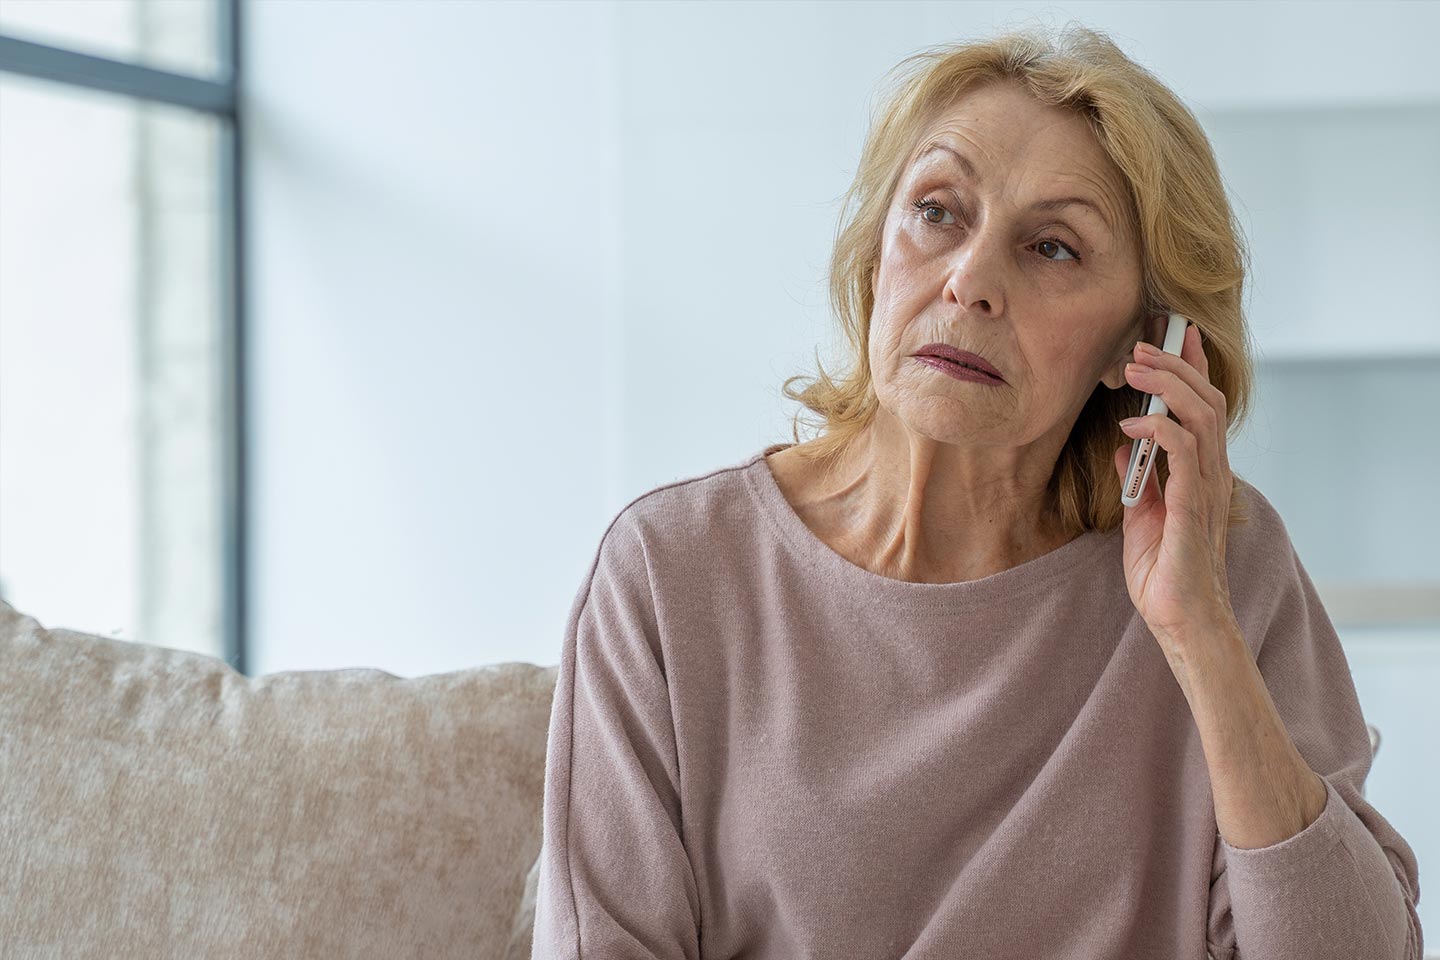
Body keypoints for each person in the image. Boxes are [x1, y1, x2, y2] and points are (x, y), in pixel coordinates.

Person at [529, 21, 1423, 960]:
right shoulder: (672, 574)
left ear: (1144, 344)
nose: (969, 281)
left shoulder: (1223, 567)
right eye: (938, 211)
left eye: (1053, 248)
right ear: (878, 254)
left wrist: (1200, 636)